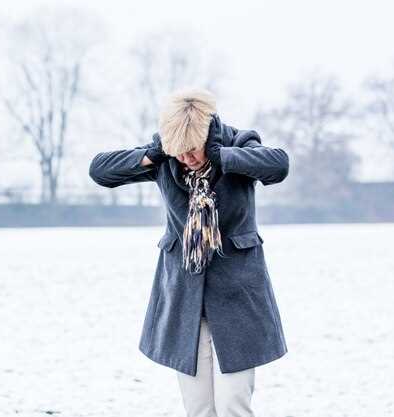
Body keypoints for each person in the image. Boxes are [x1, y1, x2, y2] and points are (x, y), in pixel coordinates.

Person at [88, 87, 290, 417]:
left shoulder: (237, 143)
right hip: (184, 299)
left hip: (238, 299)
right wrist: (154, 153)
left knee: (233, 406)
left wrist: (221, 155)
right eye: (179, 152)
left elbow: (278, 165)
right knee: (199, 409)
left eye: (193, 150)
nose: (187, 159)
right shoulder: (166, 155)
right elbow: (100, 171)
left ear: (206, 136)